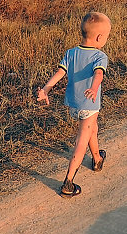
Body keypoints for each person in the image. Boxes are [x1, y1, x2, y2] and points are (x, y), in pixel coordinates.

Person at [36, 11, 111, 197]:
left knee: (92, 127)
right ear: (100, 37)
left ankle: (97, 159)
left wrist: (46, 89)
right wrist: (94, 89)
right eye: (107, 36)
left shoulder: (71, 53)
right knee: (81, 140)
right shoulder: (100, 57)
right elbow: (99, 74)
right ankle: (68, 184)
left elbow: (60, 73)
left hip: (73, 105)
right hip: (89, 103)